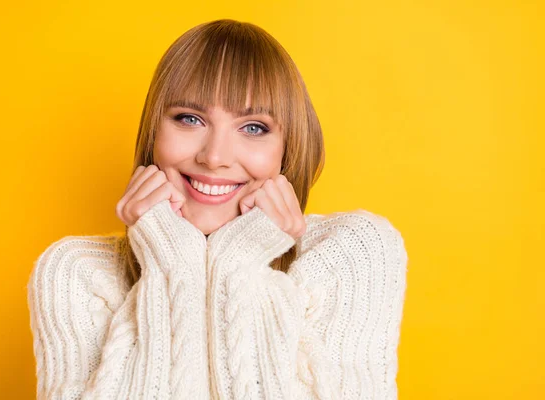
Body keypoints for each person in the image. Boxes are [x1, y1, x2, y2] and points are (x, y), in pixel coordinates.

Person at [27, 19, 408, 400]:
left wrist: (239, 260)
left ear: (286, 148)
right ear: (153, 134)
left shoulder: (353, 255)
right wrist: (173, 262)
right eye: (189, 119)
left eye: (254, 127)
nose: (214, 157)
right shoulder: (76, 274)